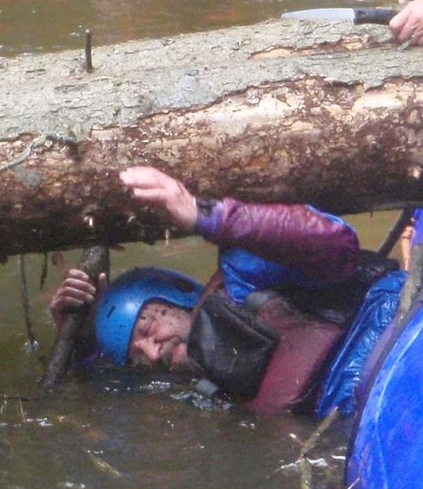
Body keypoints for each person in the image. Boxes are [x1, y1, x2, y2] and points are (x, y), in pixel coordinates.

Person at [49, 166, 401, 418]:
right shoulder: (199, 390)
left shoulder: (243, 274)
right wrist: (80, 337)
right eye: (139, 357)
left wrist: (207, 217)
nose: (152, 353)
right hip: (361, 419)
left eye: (146, 329)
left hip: (396, 342)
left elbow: (337, 246)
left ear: (179, 295)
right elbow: (103, 396)